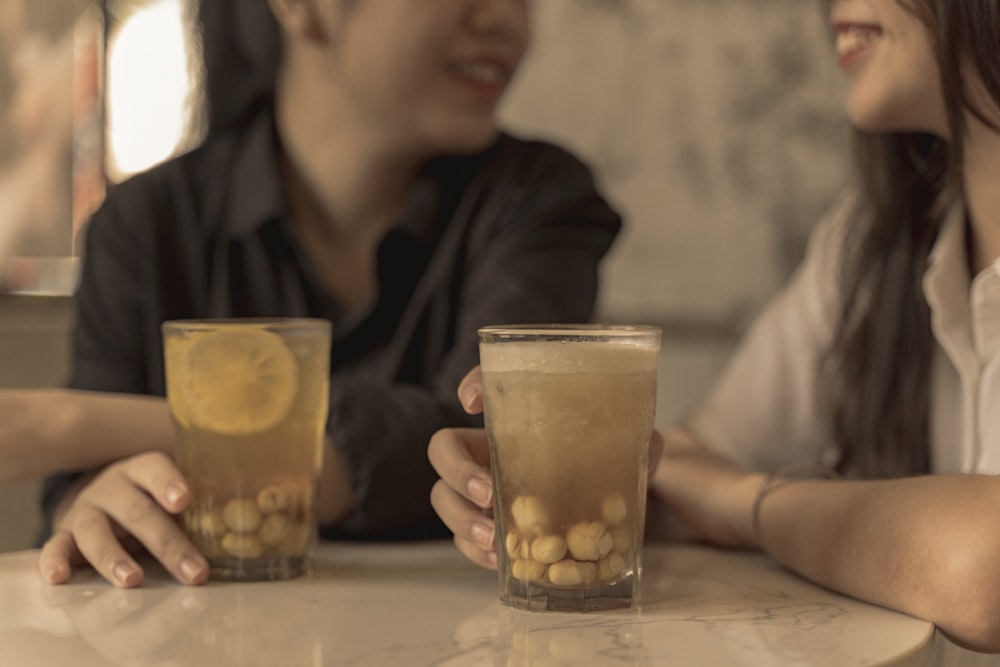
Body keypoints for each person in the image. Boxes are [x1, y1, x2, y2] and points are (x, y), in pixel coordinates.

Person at [428, 0, 1000, 653]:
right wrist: (568, 473)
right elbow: (687, 479)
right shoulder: (871, 245)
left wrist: (745, 502)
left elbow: (987, 573)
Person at [27, 0, 622, 589]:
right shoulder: (147, 221)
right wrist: (95, 500)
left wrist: (68, 424)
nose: (506, 20)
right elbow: (81, 491)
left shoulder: (541, 200)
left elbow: (491, 445)